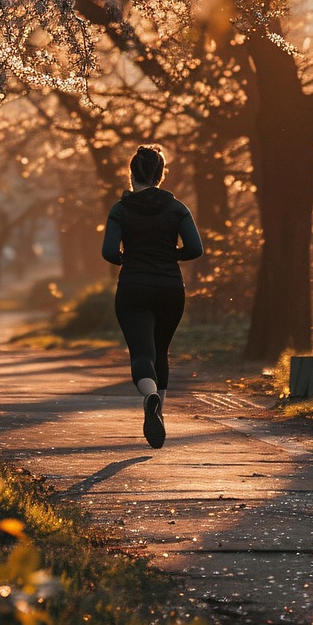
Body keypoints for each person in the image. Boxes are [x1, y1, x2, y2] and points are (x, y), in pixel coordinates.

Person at [101, 144, 204, 449]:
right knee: (161, 352)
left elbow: (109, 252)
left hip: (134, 287)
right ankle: (160, 413)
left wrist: (129, 259)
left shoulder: (121, 209)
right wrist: (169, 256)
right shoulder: (177, 208)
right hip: (170, 289)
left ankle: (150, 396)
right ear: (161, 175)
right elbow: (195, 249)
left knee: (142, 354)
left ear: (131, 174)